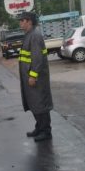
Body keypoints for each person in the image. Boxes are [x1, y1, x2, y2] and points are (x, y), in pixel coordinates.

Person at [18, 11, 53, 142]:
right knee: (34, 103)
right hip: (30, 77)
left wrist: (33, 76)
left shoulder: (35, 36)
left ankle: (46, 131)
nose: (20, 22)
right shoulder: (29, 35)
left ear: (29, 21)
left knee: (40, 103)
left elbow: (37, 59)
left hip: (37, 79)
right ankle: (39, 127)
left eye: (22, 20)